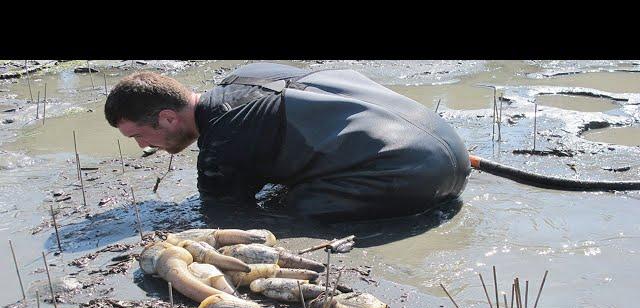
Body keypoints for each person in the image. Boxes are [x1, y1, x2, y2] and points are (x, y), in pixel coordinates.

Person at [105, 62, 470, 222]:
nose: (143, 146)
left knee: (292, 206)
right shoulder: (247, 74)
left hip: (423, 177)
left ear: (168, 117)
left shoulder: (223, 142)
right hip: (450, 147)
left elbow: (222, 212)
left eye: (139, 135)